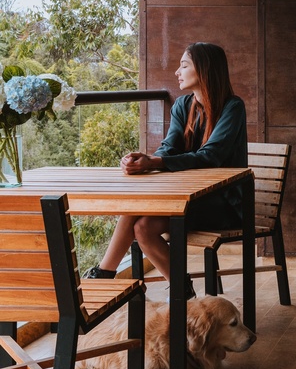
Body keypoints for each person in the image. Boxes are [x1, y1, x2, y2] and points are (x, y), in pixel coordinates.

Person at [83, 42, 248, 300]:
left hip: (223, 204)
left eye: (184, 65)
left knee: (140, 217)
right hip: (189, 199)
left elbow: (211, 156)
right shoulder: (183, 105)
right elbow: (169, 147)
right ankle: (182, 291)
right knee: (142, 227)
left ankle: (101, 278)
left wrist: (155, 163)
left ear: (204, 70)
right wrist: (144, 160)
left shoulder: (232, 107)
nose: (177, 72)